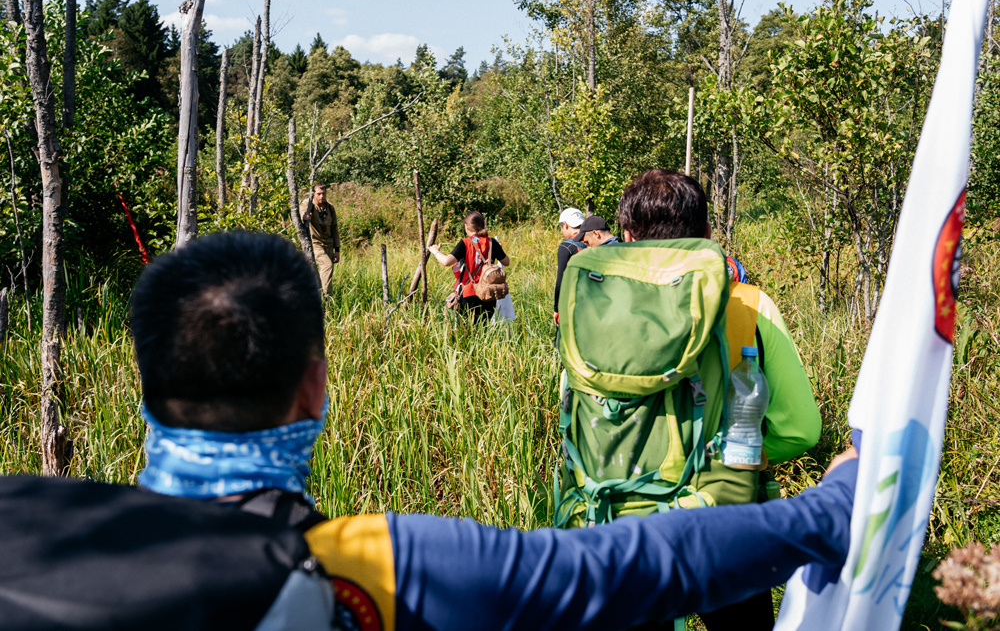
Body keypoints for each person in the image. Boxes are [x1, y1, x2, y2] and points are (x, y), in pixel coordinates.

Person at [117, 230, 856, 630]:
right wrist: (836, 499)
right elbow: (644, 561)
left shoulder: (28, 524)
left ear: (145, 383)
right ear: (317, 388)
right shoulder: (383, 562)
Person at [608, 169, 822, 631]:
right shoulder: (750, 305)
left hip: (633, 520)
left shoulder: (600, 317)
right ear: (708, 235)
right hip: (730, 520)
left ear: (626, 236)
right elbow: (802, 428)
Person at [428, 211, 509, 323]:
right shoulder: (492, 242)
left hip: (469, 294)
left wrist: (435, 251)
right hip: (488, 294)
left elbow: (446, 261)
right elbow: (506, 261)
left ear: (466, 227)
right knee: (483, 331)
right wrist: (498, 249)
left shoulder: (465, 243)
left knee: (467, 333)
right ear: (482, 225)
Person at [300, 182, 340, 296]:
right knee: (327, 266)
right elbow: (301, 209)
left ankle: (327, 300)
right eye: (318, 194)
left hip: (329, 244)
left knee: (327, 273)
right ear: (314, 194)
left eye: (323, 193)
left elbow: (334, 229)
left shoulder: (330, 208)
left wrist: (337, 251)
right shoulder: (309, 204)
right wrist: (304, 216)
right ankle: (325, 297)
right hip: (316, 244)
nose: (321, 196)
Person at [554, 207, 587, 325]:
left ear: (565, 225)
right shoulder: (593, 239)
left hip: (573, 300)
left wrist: (556, 308)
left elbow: (561, 280)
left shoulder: (566, 246)